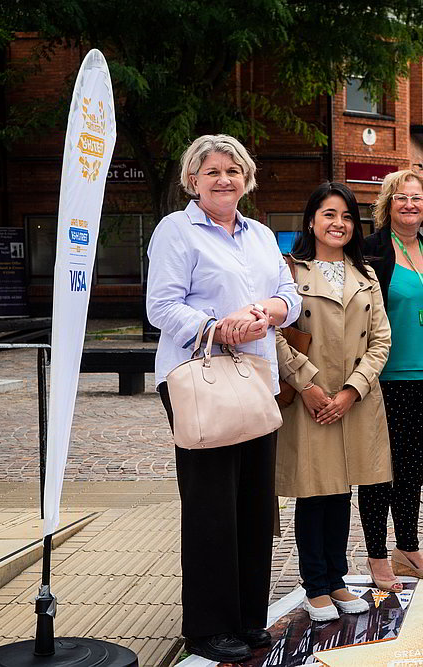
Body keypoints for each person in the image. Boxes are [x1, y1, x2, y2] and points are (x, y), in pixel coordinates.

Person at [146, 134, 301, 663]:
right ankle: (210, 626)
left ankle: (248, 617)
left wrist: (271, 310)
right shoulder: (177, 231)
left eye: (233, 170)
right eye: (211, 171)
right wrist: (217, 327)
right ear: (192, 180)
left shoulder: (260, 234)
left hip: (256, 375)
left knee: (256, 503)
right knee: (212, 506)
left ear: (247, 178)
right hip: (200, 375)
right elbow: (161, 307)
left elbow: (290, 295)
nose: (224, 179)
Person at [275, 182, 392, 621]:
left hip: (354, 399)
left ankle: (338, 579)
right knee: (314, 491)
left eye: (345, 216)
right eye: (329, 214)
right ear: (311, 220)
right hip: (310, 397)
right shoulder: (289, 272)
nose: (338, 223)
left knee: (342, 490)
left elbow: (381, 340)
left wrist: (351, 390)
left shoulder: (367, 275)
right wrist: (307, 385)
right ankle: (316, 583)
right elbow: (274, 336)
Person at [359, 169, 423, 591]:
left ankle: (407, 549)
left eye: (416, 198)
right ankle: (378, 556)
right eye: (400, 198)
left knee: (414, 469)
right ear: (387, 205)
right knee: (380, 470)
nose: (409, 205)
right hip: (385, 379)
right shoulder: (372, 252)